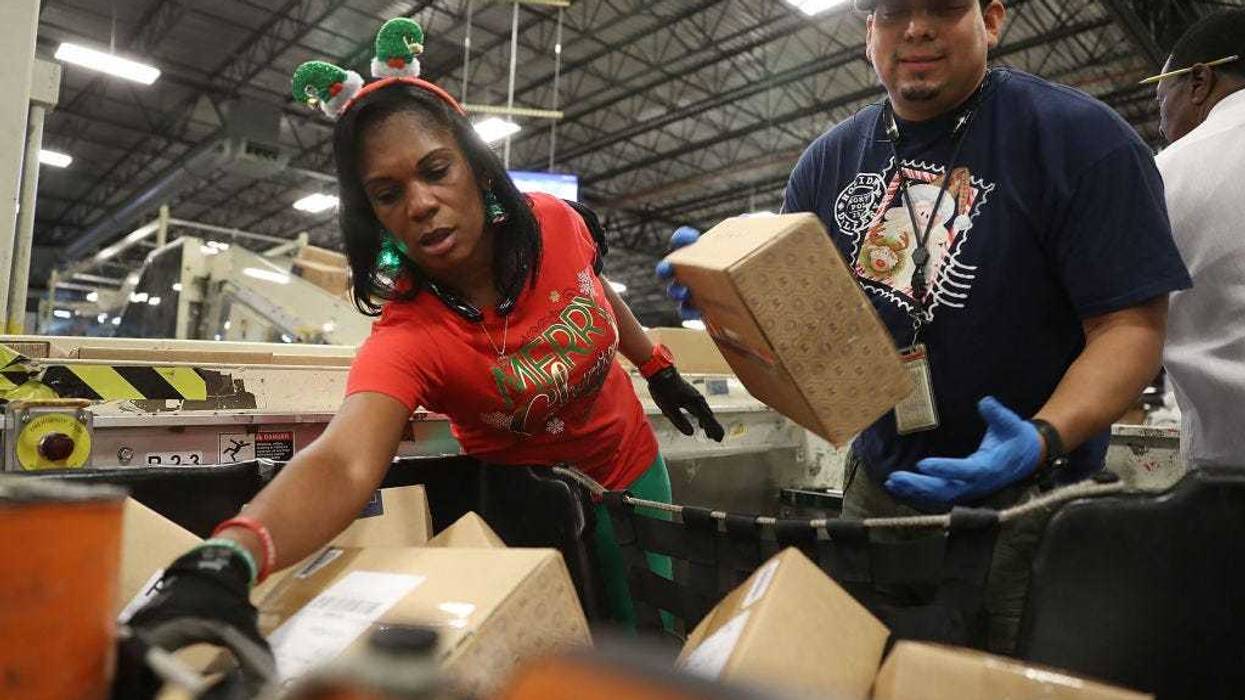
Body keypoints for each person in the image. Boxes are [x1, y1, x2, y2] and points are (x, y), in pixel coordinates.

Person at [123, 18, 723, 668]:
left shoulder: (554, 223)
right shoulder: (411, 335)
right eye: (388, 193)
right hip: (531, 508)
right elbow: (345, 462)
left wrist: (657, 367)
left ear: (475, 167)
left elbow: (595, 290)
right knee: (565, 656)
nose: (421, 203)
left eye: (435, 170)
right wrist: (232, 554)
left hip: (633, 468)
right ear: (371, 213)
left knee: (659, 642)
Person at [660, 0, 1190, 652]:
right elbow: (805, 340)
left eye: (940, 6)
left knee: (997, 682)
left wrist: (1040, 437)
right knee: (872, 668)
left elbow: (1129, 327)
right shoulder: (827, 163)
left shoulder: (1078, 139)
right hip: (876, 492)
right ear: (868, 33)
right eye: (892, 11)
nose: (914, 27)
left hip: (1024, 503)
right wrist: (726, 308)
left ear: (990, 20)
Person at [1151, 9, 1245, 467]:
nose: (1161, 124)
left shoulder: (1170, 172)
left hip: (1229, 472)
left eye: (1160, 101)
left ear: (1198, 82)